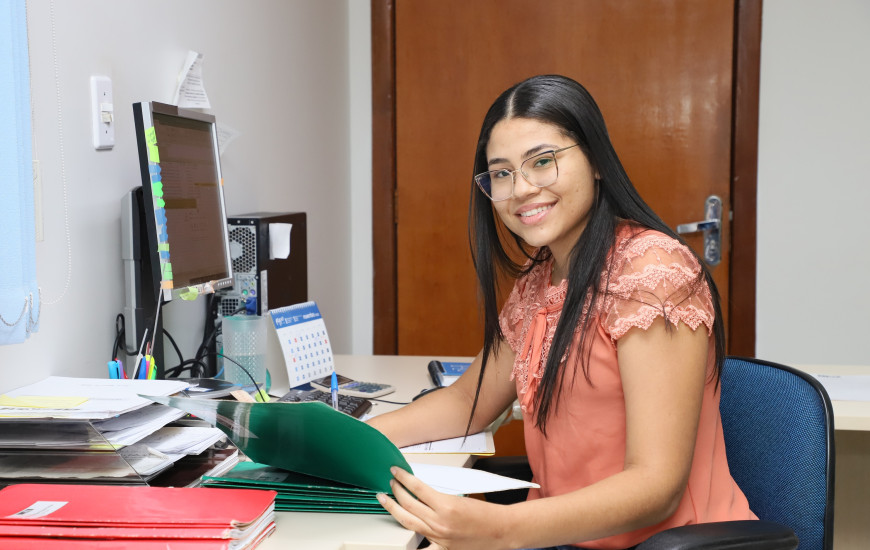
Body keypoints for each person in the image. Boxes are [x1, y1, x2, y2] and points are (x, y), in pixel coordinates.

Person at [367, 74, 756, 550]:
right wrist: (345, 440)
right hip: (564, 538)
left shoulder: (652, 271)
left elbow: (656, 485)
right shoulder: (542, 277)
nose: (520, 189)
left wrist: (497, 529)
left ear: (596, 161)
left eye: (542, 162)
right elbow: (466, 402)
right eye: (502, 173)